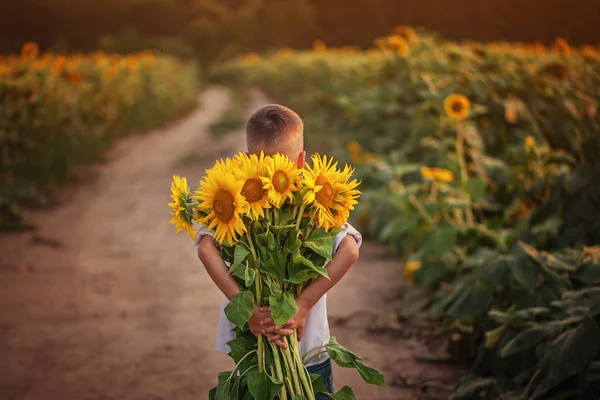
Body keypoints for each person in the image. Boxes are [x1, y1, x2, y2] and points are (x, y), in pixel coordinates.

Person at [196, 104, 361, 398]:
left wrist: (247, 311)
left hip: (253, 350)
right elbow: (349, 249)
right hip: (307, 348)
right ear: (301, 161)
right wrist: (303, 306)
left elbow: (206, 250)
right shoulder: (315, 201)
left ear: (248, 158)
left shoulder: (235, 203)